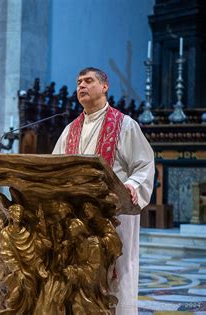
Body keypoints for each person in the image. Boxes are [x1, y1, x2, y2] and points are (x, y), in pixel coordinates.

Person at [52, 67, 155, 315]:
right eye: (78, 82)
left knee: (116, 276)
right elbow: (55, 167)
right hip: (77, 218)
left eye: (88, 81)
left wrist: (130, 186)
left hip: (114, 216)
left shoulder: (124, 125)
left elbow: (145, 164)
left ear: (105, 86)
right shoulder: (70, 130)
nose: (81, 86)